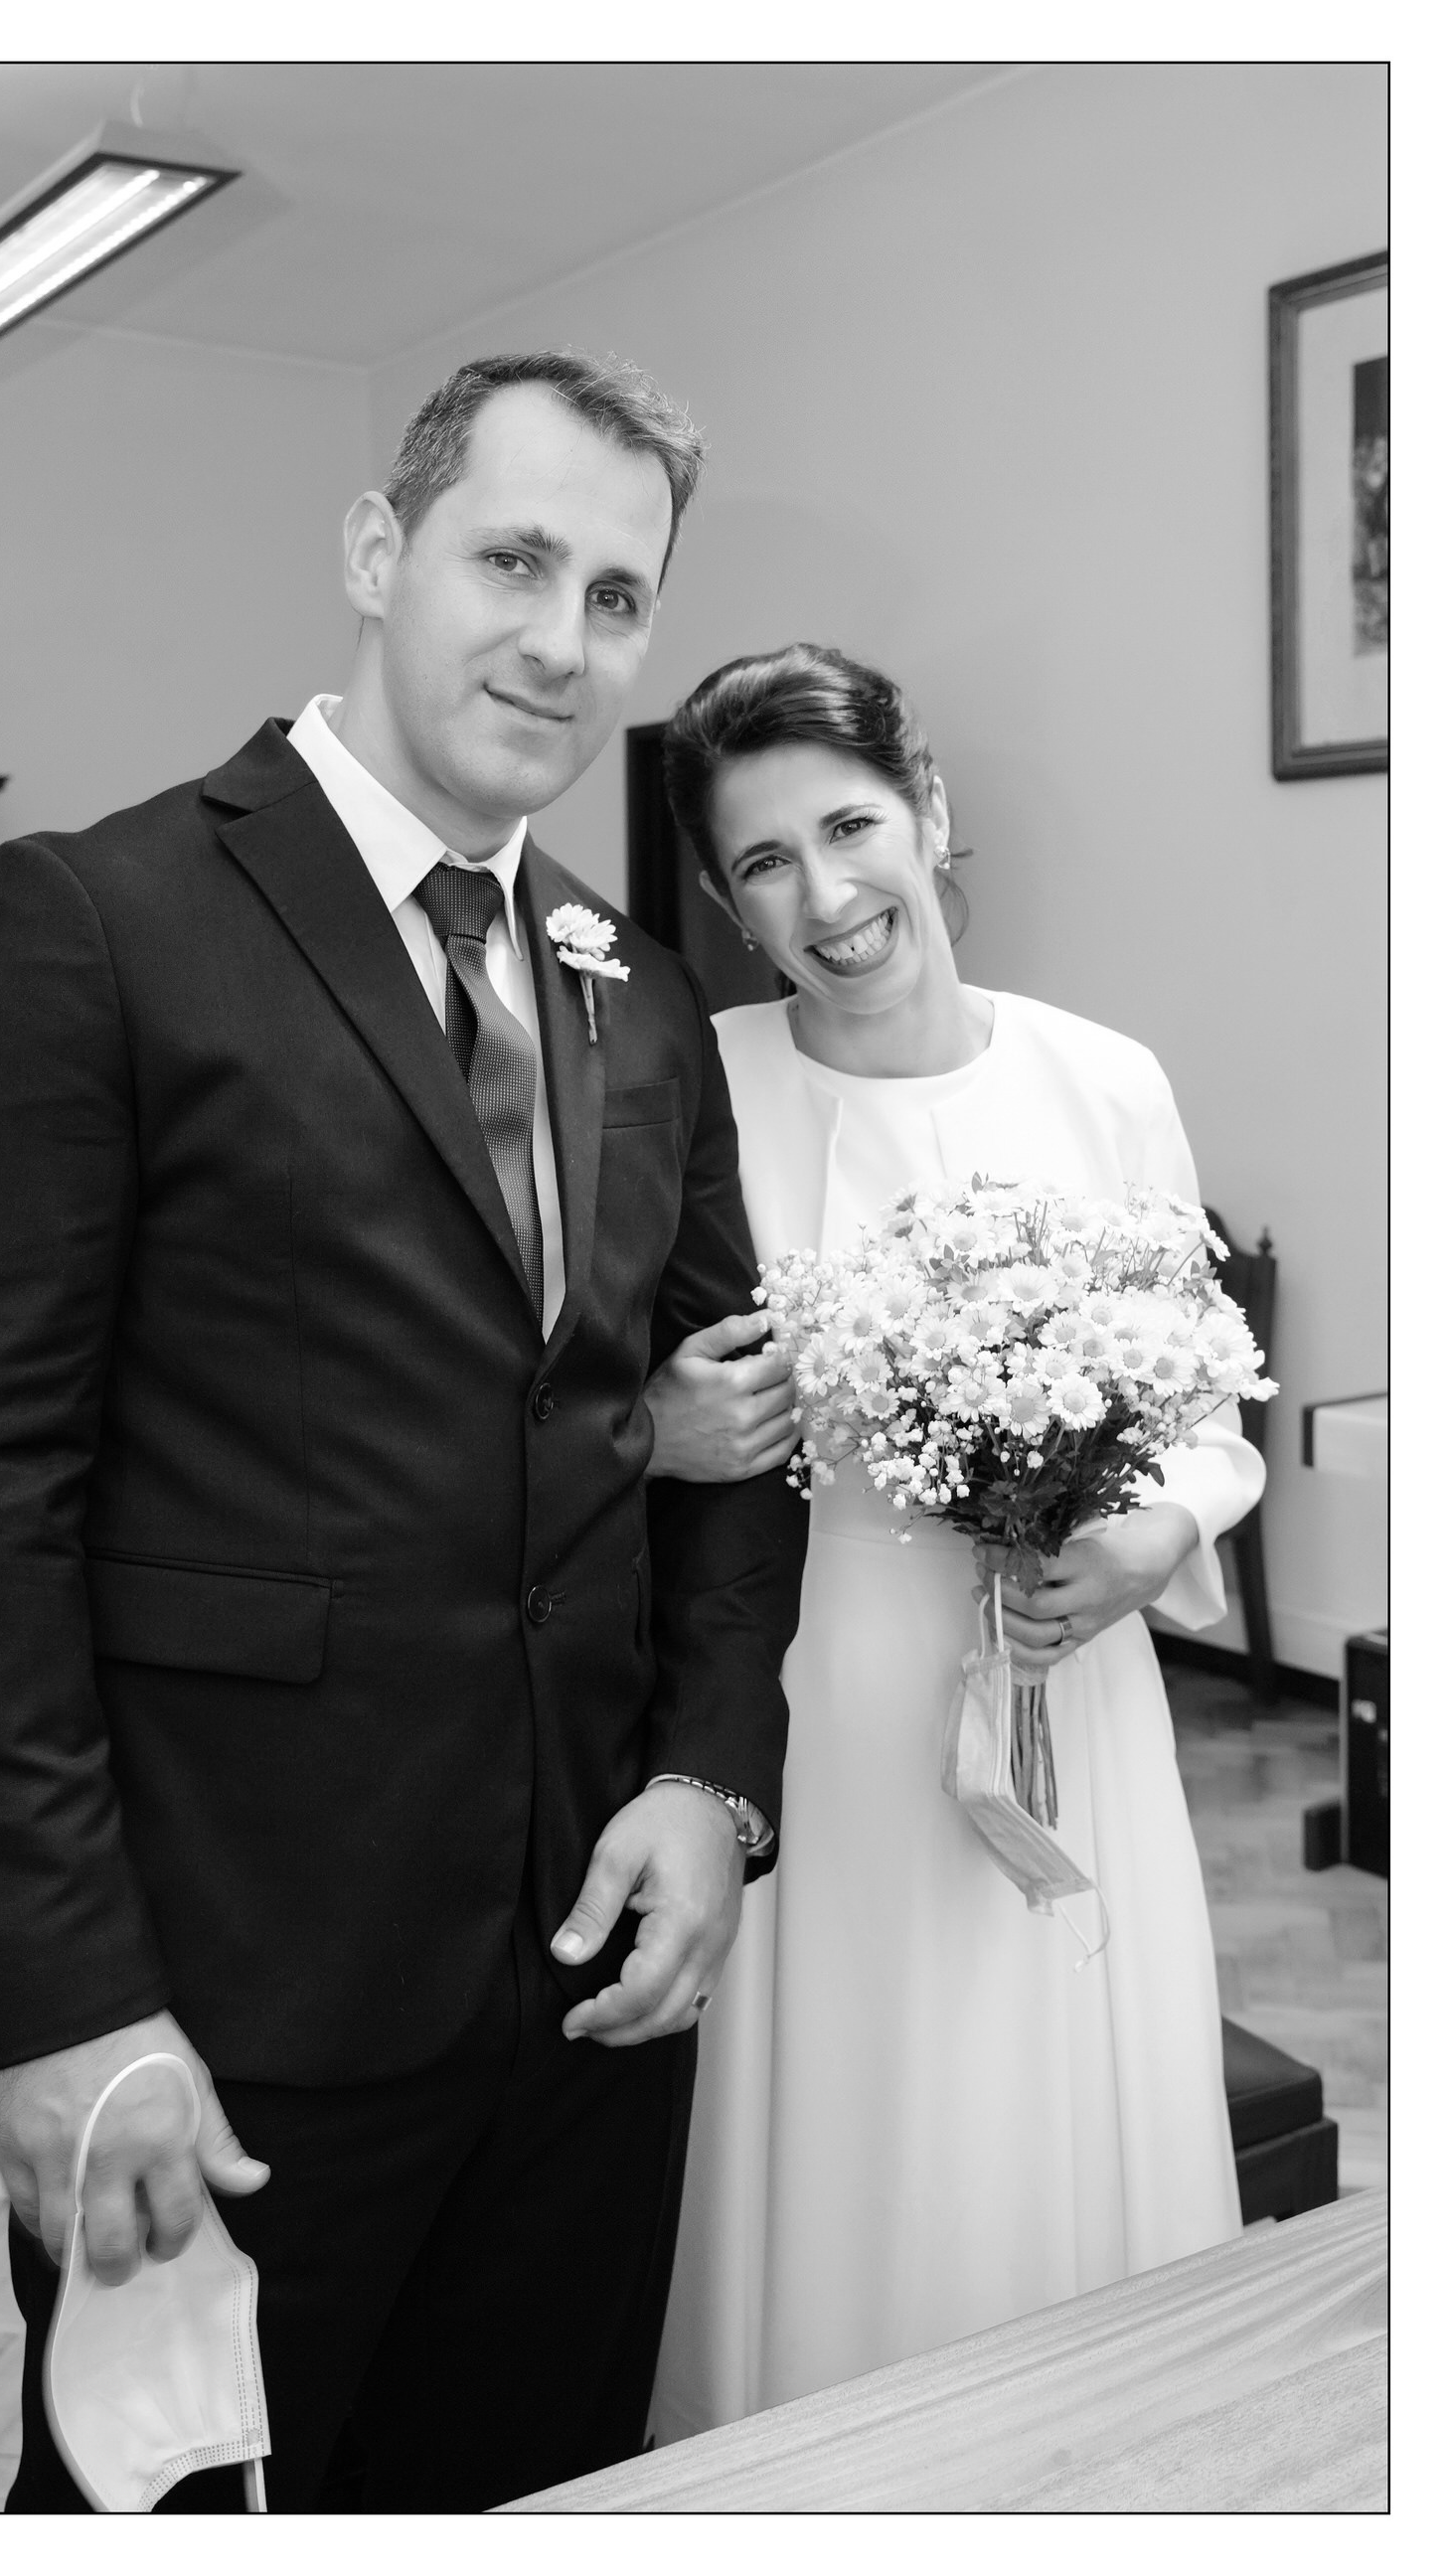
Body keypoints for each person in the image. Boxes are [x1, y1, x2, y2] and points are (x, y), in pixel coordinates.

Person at [0, 353, 807, 2512]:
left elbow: (736, 1419)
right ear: (379, 553)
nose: (561, 640)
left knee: (530, 2492)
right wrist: (56, 1998)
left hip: (586, 1975)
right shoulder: (98, 921)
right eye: (513, 561)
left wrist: (710, 1776)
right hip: (230, 1993)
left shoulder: (640, 986)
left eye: (618, 597)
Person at [642, 644, 1258, 2438]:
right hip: (809, 1694)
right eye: (764, 863)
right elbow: (605, 1390)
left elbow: (1205, 1402)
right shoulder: (693, 1089)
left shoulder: (1103, 1079)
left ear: (927, 811)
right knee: (849, 2101)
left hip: (1067, 1679)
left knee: (1043, 2075)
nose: (825, 897)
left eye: (850, 828)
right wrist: (662, 1421)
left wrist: (1153, 1531)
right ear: (725, 903)